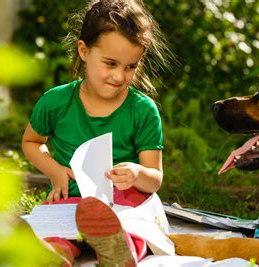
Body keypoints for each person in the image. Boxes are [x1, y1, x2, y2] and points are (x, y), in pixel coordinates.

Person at [21, 0, 173, 265]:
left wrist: (137, 174)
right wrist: (55, 170)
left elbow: (154, 178)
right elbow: (32, 142)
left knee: (132, 228)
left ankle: (120, 251)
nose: (119, 76)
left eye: (131, 66)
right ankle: (55, 255)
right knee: (58, 231)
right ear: (83, 50)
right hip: (71, 196)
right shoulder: (55, 102)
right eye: (110, 63)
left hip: (123, 201)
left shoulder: (143, 110)